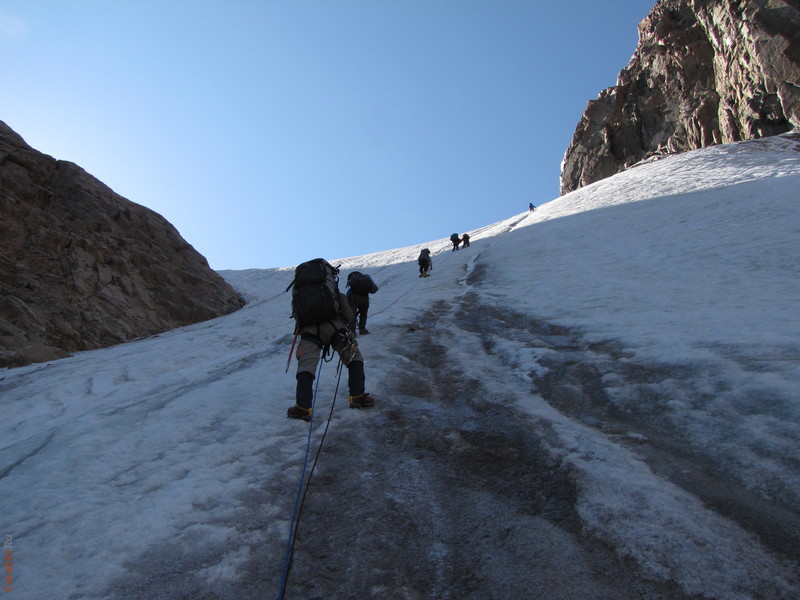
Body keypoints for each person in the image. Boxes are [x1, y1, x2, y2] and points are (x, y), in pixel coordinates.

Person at [287, 262, 375, 421]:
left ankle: (302, 408)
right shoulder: (333, 292)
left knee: (306, 367)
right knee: (354, 358)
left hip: (309, 332)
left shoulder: (300, 292)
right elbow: (349, 315)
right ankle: (357, 396)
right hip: (336, 328)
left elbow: (297, 315)